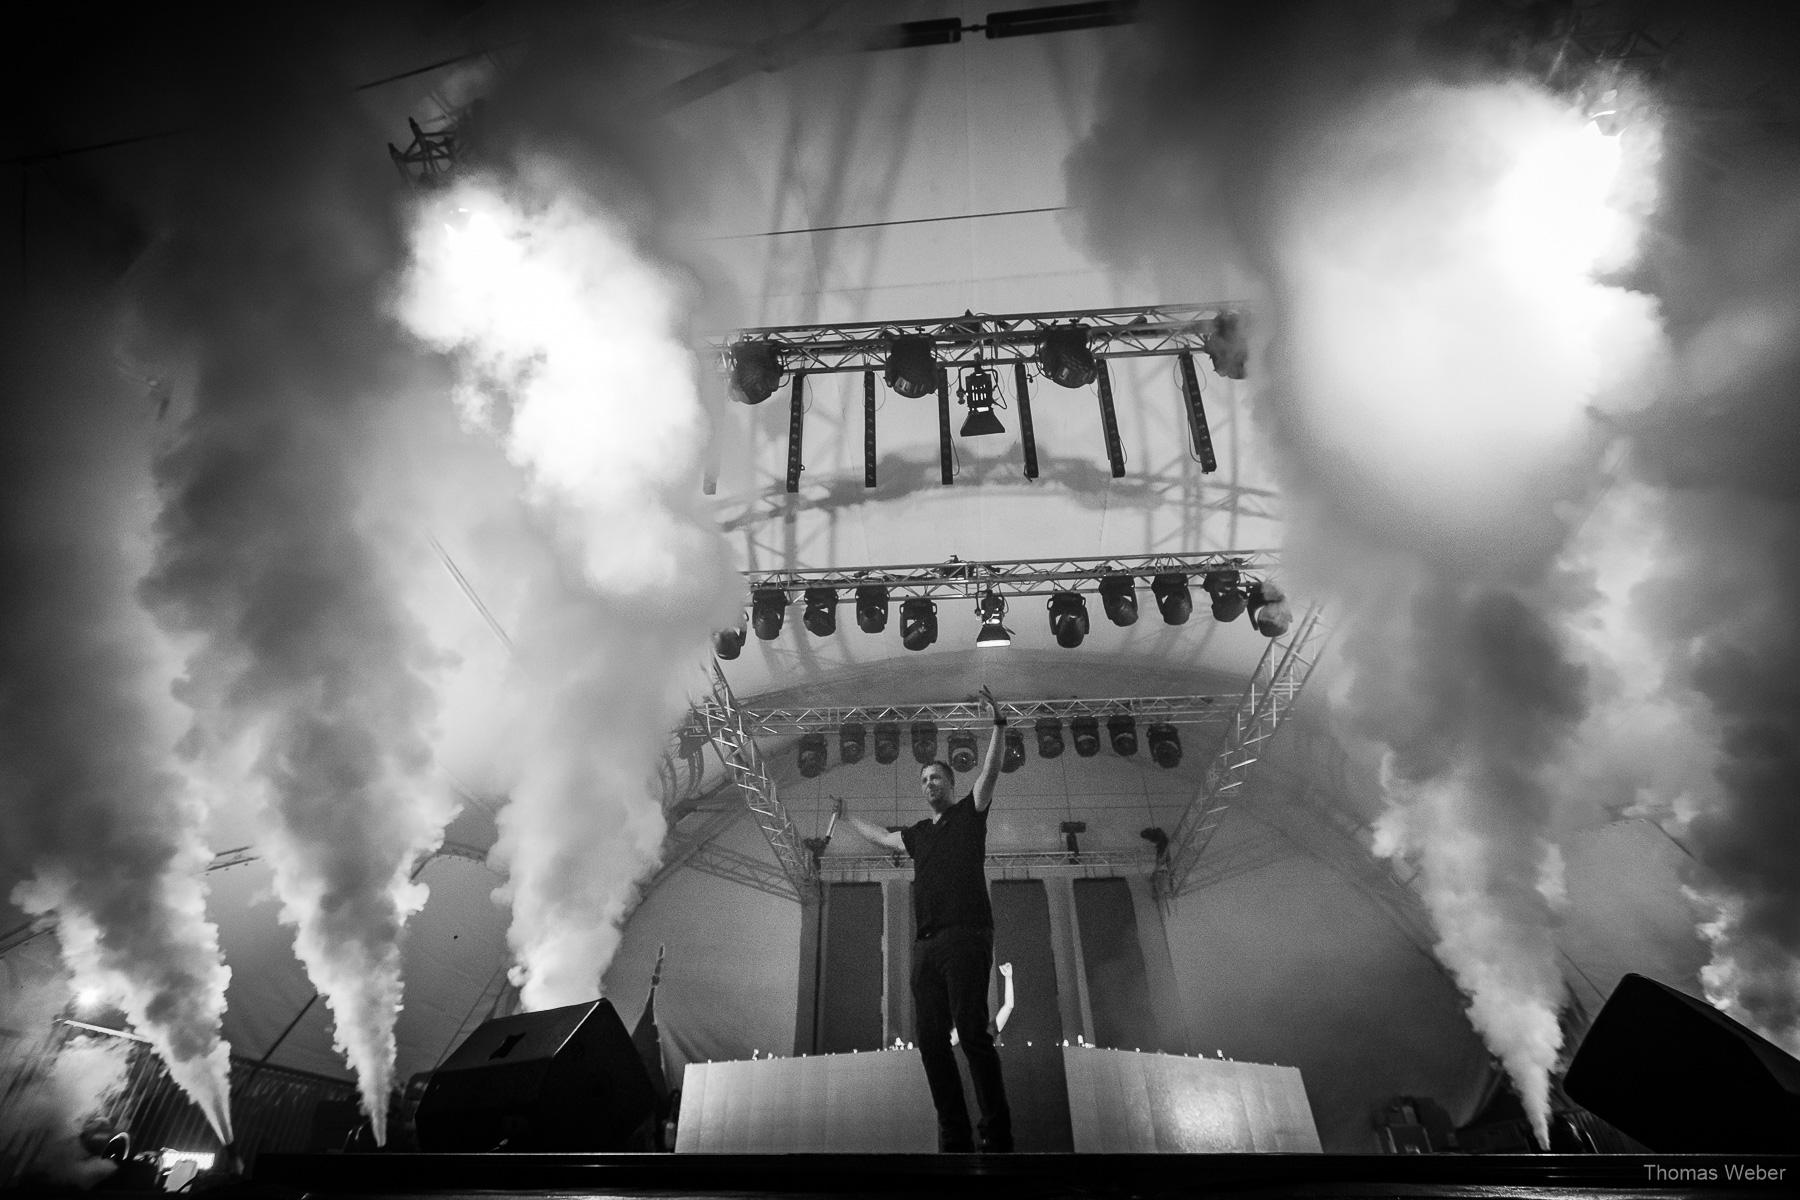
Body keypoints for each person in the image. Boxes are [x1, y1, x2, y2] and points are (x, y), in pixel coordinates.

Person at [840, 686, 1013, 1153]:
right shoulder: (917, 835)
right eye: (924, 781)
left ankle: (997, 1132)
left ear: (951, 786)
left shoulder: (968, 815)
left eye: (936, 779)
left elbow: (990, 772)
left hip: (967, 937)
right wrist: (848, 818)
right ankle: (954, 1131)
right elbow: (883, 838)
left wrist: (997, 726)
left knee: (972, 1032)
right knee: (930, 1040)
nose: (929, 785)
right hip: (927, 946)